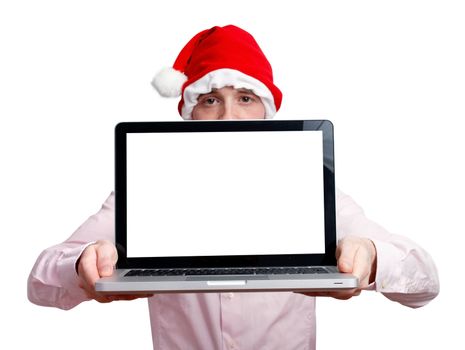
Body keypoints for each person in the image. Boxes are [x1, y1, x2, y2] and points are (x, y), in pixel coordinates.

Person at [28, 25, 439, 349]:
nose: (228, 115)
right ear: (189, 113)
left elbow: (425, 282)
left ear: (266, 110)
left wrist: (370, 257)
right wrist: (83, 263)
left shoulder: (313, 194)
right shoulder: (143, 195)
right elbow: (39, 284)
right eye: (209, 99)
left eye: (245, 97)